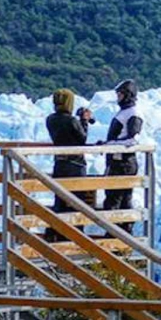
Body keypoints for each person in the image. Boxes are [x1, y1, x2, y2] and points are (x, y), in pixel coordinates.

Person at [45, 89, 95, 239]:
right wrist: (84, 121)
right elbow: (82, 139)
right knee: (77, 202)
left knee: (60, 201)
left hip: (59, 164)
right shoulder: (72, 121)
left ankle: (56, 233)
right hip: (76, 165)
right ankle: (76, 235)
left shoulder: (50, 119)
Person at [101, 79, 144, 214]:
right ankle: (119, 231)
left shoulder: (133, 114)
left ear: (128, 95)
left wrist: (110, 144)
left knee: (117, 199)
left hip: (124, 163)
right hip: (117, 161)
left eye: (120, 95)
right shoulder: (125, 112)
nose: (118, 98)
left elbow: (132, 139)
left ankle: (116, 232)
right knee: (116, 198)